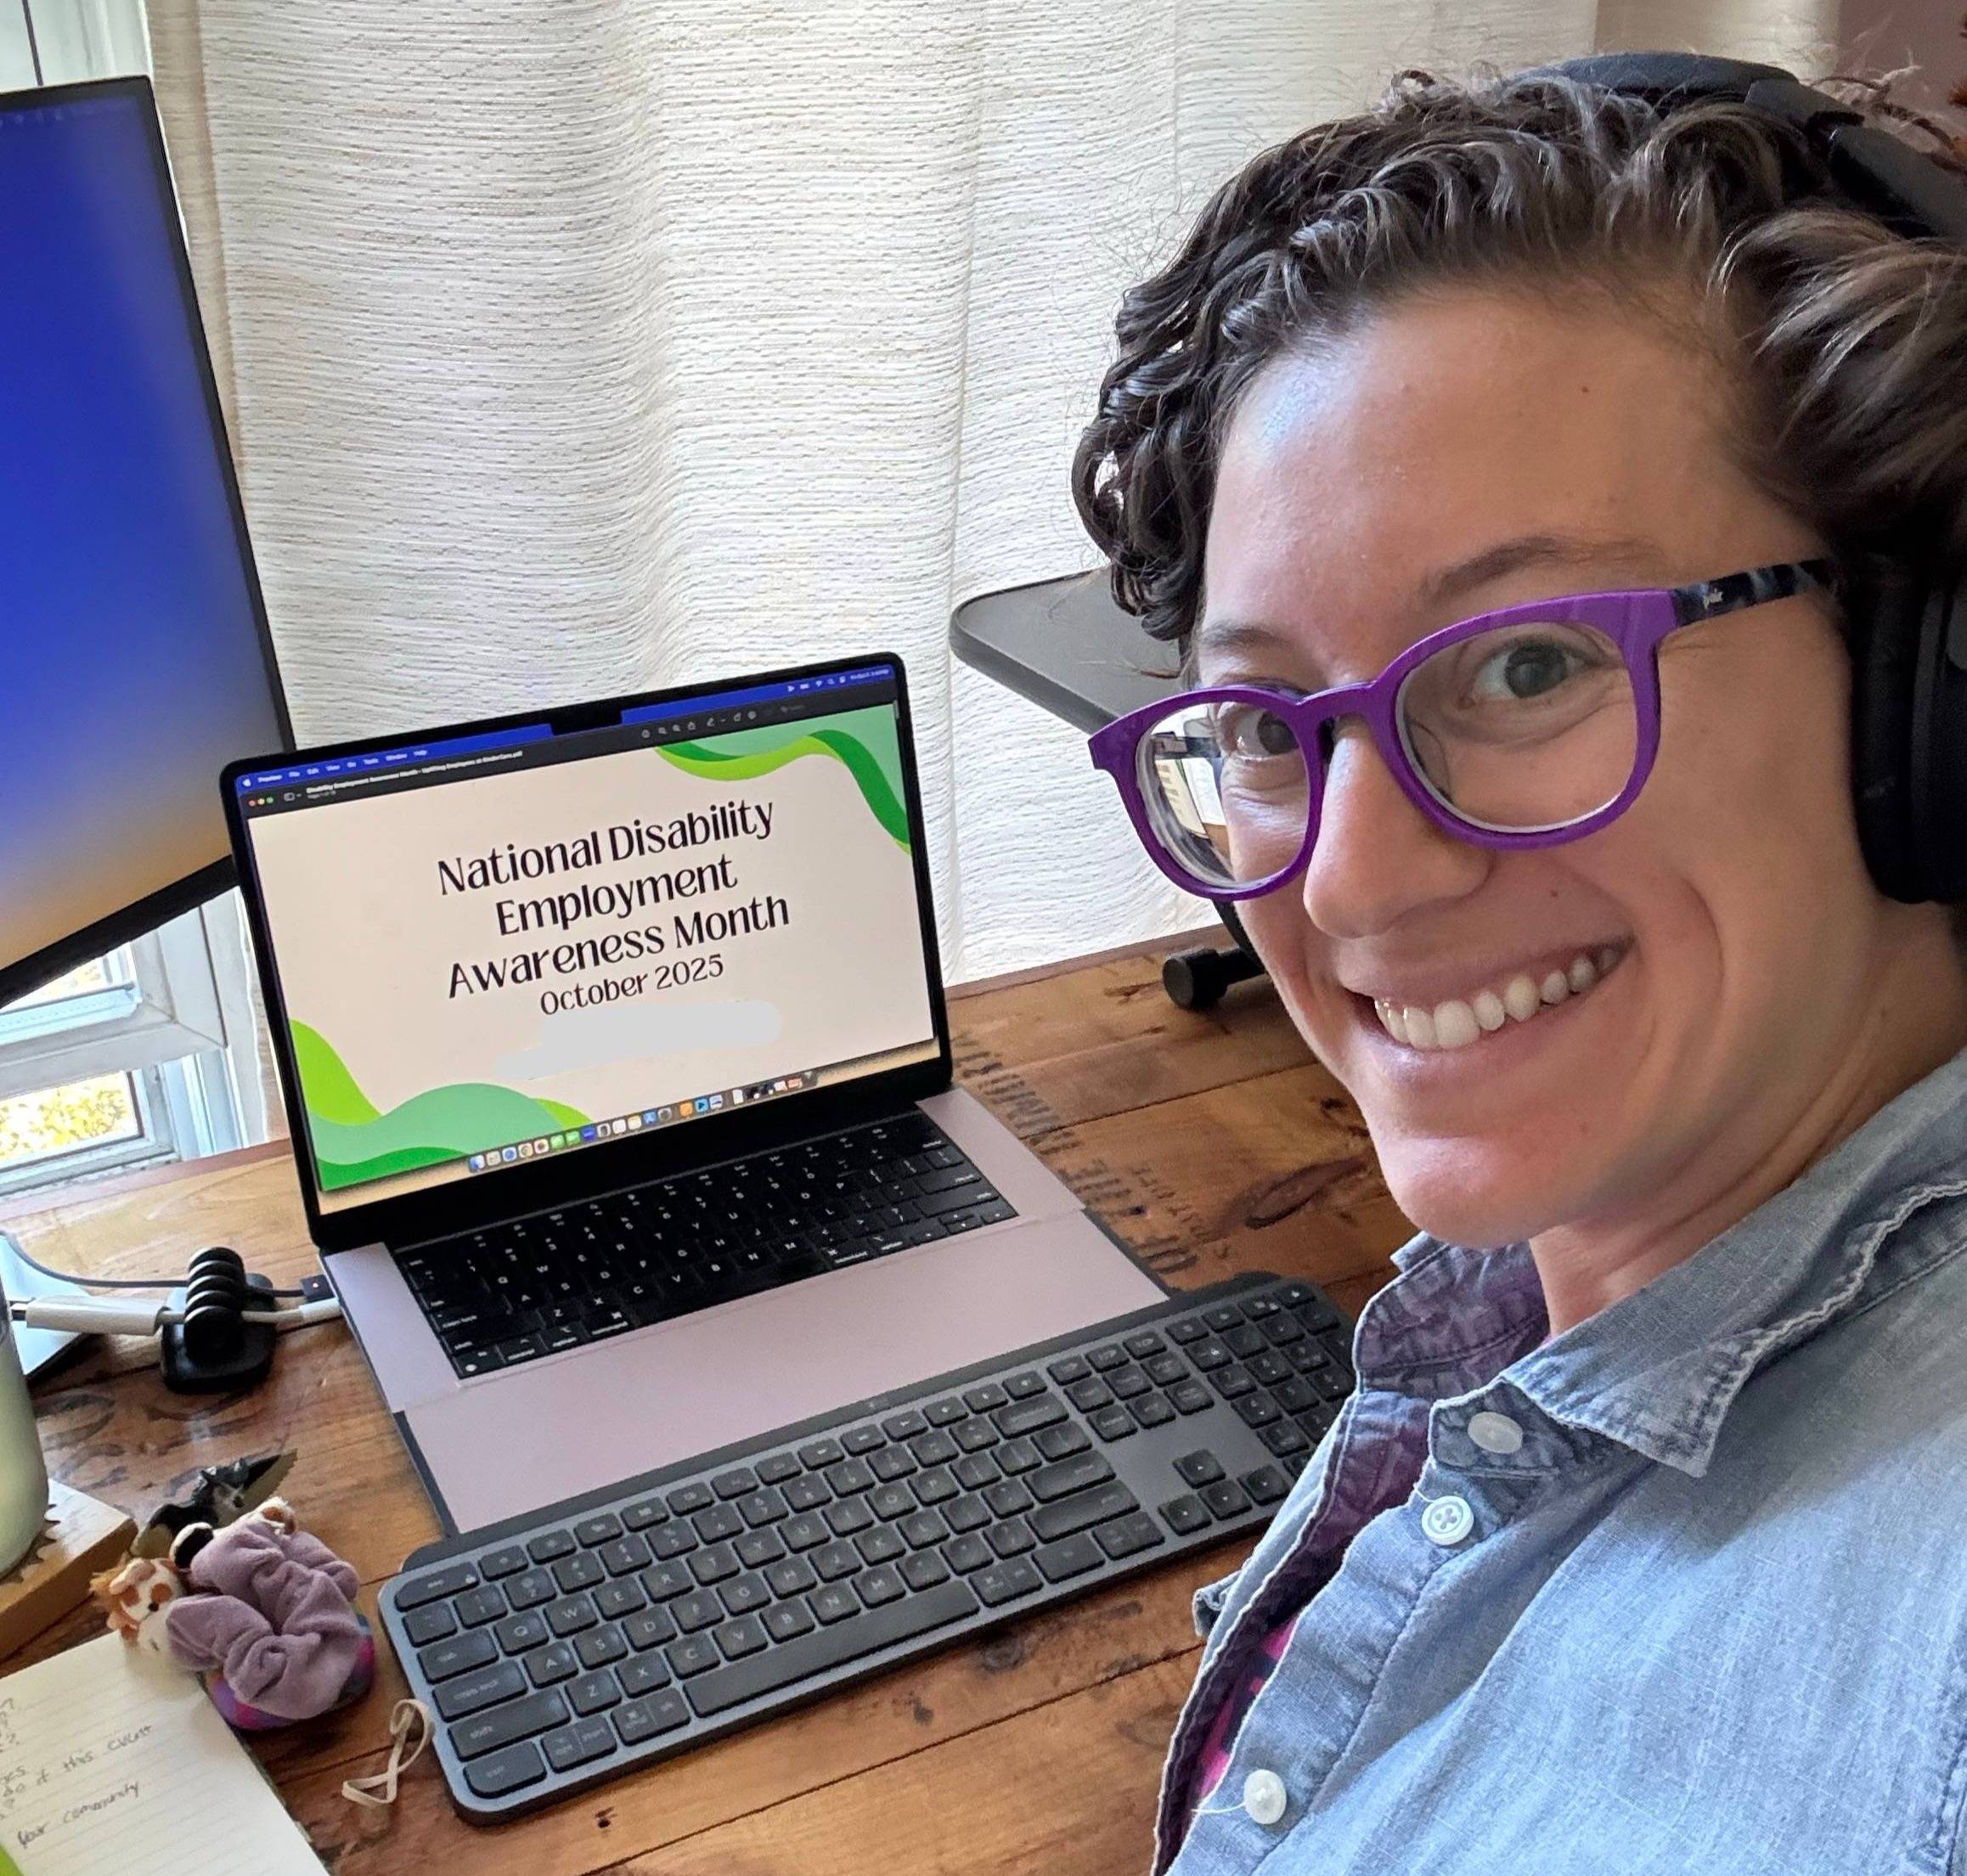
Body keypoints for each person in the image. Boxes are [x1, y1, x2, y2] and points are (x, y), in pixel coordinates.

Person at [1071, 61, 1967, 1875]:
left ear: (1923, 679)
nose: (1352, 879)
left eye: (1530, 665)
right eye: (1265, 721)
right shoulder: (1568, 1260)